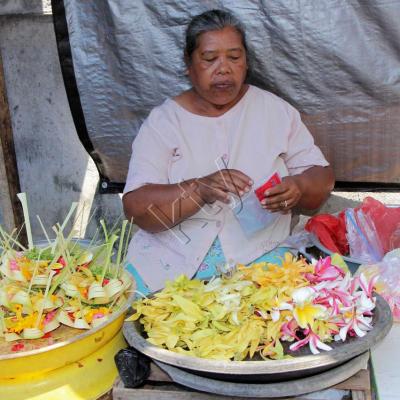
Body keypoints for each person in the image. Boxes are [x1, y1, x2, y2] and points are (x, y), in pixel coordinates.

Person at [122, 9, 335, 294]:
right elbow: (136, 207)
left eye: (234, 57)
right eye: (210, 59)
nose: (223, 69)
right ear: (188, 63)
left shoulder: (274, 111)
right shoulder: (163, 122)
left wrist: (298, 186)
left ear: (246, 62)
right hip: (171, 263)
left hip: (260, 259)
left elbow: (321, 176)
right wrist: (198, 190)